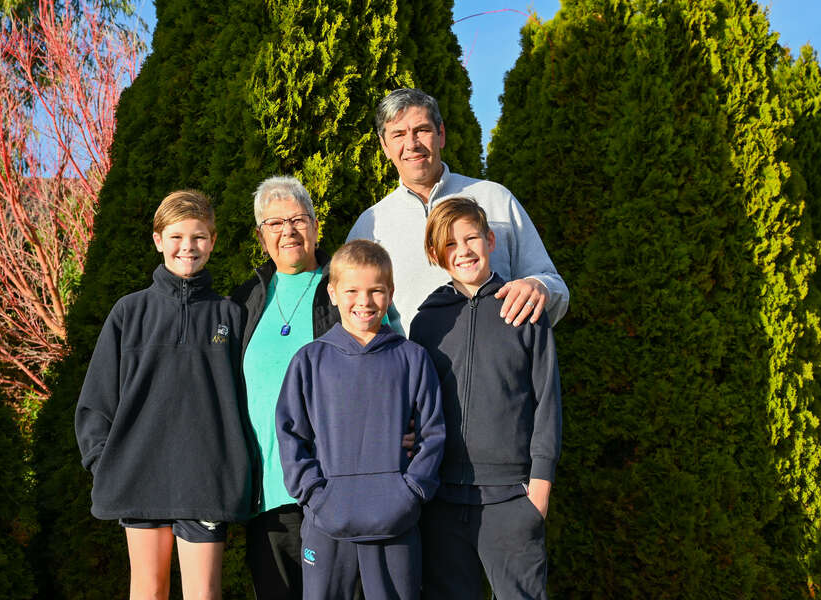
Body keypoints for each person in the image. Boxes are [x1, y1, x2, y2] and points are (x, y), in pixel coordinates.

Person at [232, 176, 407, 599]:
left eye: (297, 219)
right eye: (274, 224)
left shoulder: (346, 290)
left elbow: (395, 367)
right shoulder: (243, 300)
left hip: (334, 489)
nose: (287, 231)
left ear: (315, 225)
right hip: (267, 495)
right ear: (261, 236)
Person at [75, 190, 252, 600]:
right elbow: (95, 401)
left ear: (213, 240)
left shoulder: (231, 314)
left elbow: (248, 400)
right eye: (176, 237)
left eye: (199, 237)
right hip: (139, 477)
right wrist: (106, 462)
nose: (187, 247)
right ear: (158, 240)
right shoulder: (128, 313)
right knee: (148, 591)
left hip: (208, 479)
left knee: (203, 594)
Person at [409, 197, 562, 600]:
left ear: (490, 239)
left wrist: (539, 491)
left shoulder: (524, 310)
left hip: (510, 498)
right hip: (441, 500)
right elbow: (416, 400)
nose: (463, 251)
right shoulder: (428, 320)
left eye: (471, 238)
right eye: (449, 244)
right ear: (435, 254)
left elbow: (547, 401)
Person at [276, 240, 446, 600]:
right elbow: (290, 435)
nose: (364, 302)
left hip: (395, 523)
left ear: (390, 293)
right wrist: (314, 495)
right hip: (327, 523)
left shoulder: (412, 358)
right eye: (352, 291)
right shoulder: (309, 361)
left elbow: (433, 432)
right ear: (333, 293)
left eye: (375, 291)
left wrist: (412, 492)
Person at [346, 87, 569, 334]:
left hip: (494, 368)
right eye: (398, 134)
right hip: (411, 371)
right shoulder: (370, 225)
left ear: (440, 134)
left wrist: (539, 286)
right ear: (385, 146)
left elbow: (556, 288)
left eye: (422, 130)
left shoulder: (495, 198)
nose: (411, 144)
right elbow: (351, 314)